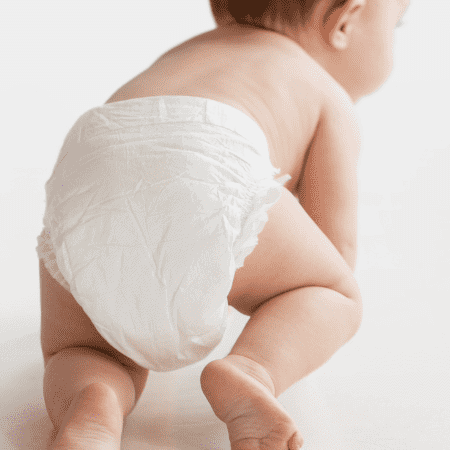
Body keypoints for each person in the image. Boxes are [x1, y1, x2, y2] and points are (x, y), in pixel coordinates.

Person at [36, 0, 409, 448]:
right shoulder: (323, 90)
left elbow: (152, 165)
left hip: (90, 168)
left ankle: (91, 406)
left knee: (83, 349)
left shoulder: (186, 53)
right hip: (210, 153)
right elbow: (334, 252)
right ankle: (250, 369)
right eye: (398, 22)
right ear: (345, 20)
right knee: (335, 293)